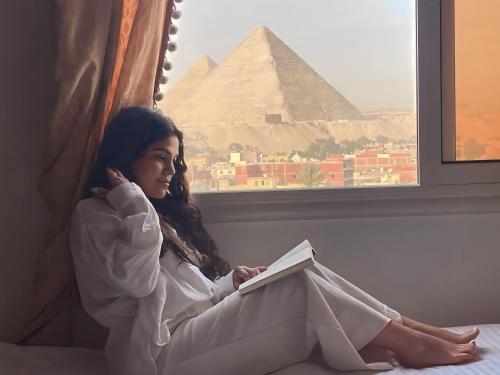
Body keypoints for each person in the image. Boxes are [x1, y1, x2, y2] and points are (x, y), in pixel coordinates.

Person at [70, 106, 479, 375]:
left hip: (189, 331)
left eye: (174, 161)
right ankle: (411, 345)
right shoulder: (95, 216)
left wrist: (228, 284)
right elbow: (136, 283)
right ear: (127, 154)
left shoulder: (153, 216)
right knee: (296, 288)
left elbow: (177, 296)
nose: (171, 171)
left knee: (304, 268)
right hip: (159, 357)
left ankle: (408, 328)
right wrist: (136, 203)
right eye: (160, 156)